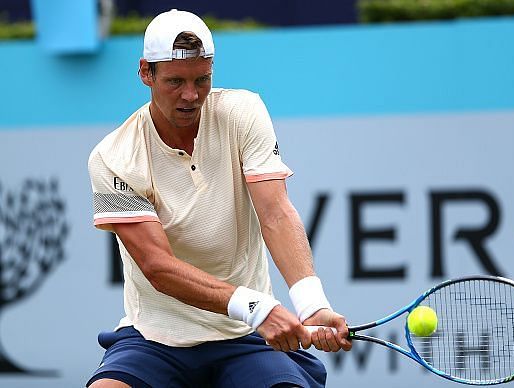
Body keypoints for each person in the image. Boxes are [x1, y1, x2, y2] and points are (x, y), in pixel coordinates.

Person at [86, 9, 351, 388]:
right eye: (175, 81)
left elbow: (275, 214)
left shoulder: (242, 112)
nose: (191, 95)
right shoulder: (113, 156)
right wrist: (258, 307)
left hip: (244, 338)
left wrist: (312, 304)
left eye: (202, 79)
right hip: (156, 339)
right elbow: (158, 267)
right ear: (146, 73)